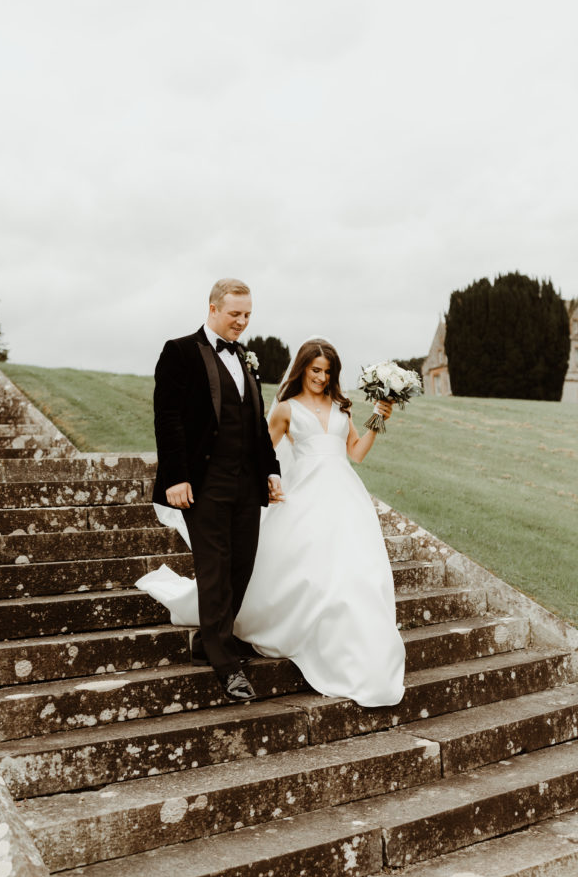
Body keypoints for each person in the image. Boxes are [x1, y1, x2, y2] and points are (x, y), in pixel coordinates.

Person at [138, 337, 405, 708]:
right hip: (305, 498)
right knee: (310, 570)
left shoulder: (341, 408)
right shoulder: (285, 409)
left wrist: (378, 419)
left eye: (328, 372)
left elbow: (356, 454)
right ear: (303, 369)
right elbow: (260, 449)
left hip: (346, 497)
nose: (321, 378)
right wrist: (267, 481)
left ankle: (354, 642)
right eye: (315, 371)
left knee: (357, 571)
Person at [148, 278, 283, 703]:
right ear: (212, 308)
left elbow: (256, 421)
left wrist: (271, 470)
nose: (242, 322)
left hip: (246, 483)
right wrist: (175, 477)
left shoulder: (244, 358)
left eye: (247, 315)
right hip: (203, 483)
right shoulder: (179, 351)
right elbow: (167, 417)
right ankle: (227, 667)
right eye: (234, 314)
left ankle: (208, 642)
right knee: (215, 569)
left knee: (242, 566)